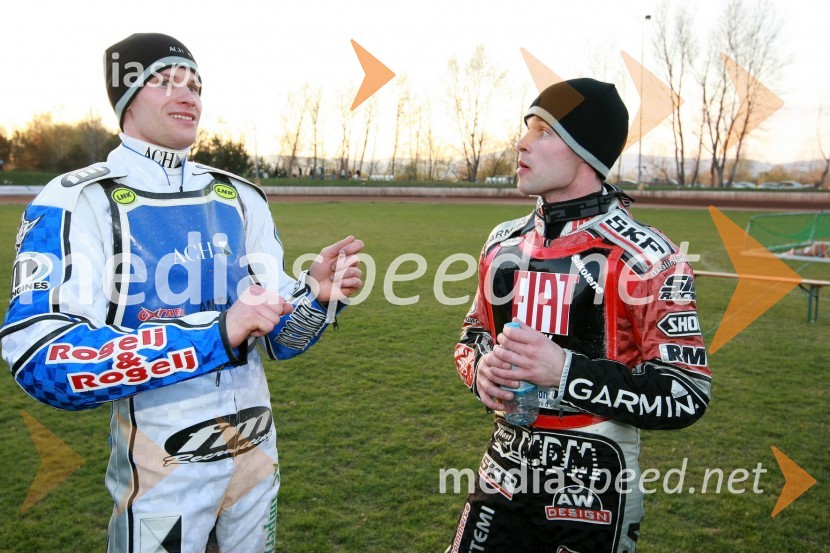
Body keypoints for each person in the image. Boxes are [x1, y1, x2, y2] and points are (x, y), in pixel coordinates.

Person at [1, 33, 364, 553]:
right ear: (125, 101)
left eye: (195, 84)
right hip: (162, 471)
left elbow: (282, 339)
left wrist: (316, 297)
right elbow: (39, 358)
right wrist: (216, 332)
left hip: (257, 458)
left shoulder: (240, 196)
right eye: (164, 80)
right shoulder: (76, 200)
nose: (187, 94)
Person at [448, 78, 711, 553]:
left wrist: (564, 372)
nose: (522, 142)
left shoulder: (648, 257)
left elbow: (686, 395)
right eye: (526, 128)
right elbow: (472, 335)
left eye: (544, 131)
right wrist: (480, 370)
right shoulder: (503, 242)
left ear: (585, 152)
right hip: (502, 467)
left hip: (595, 479)